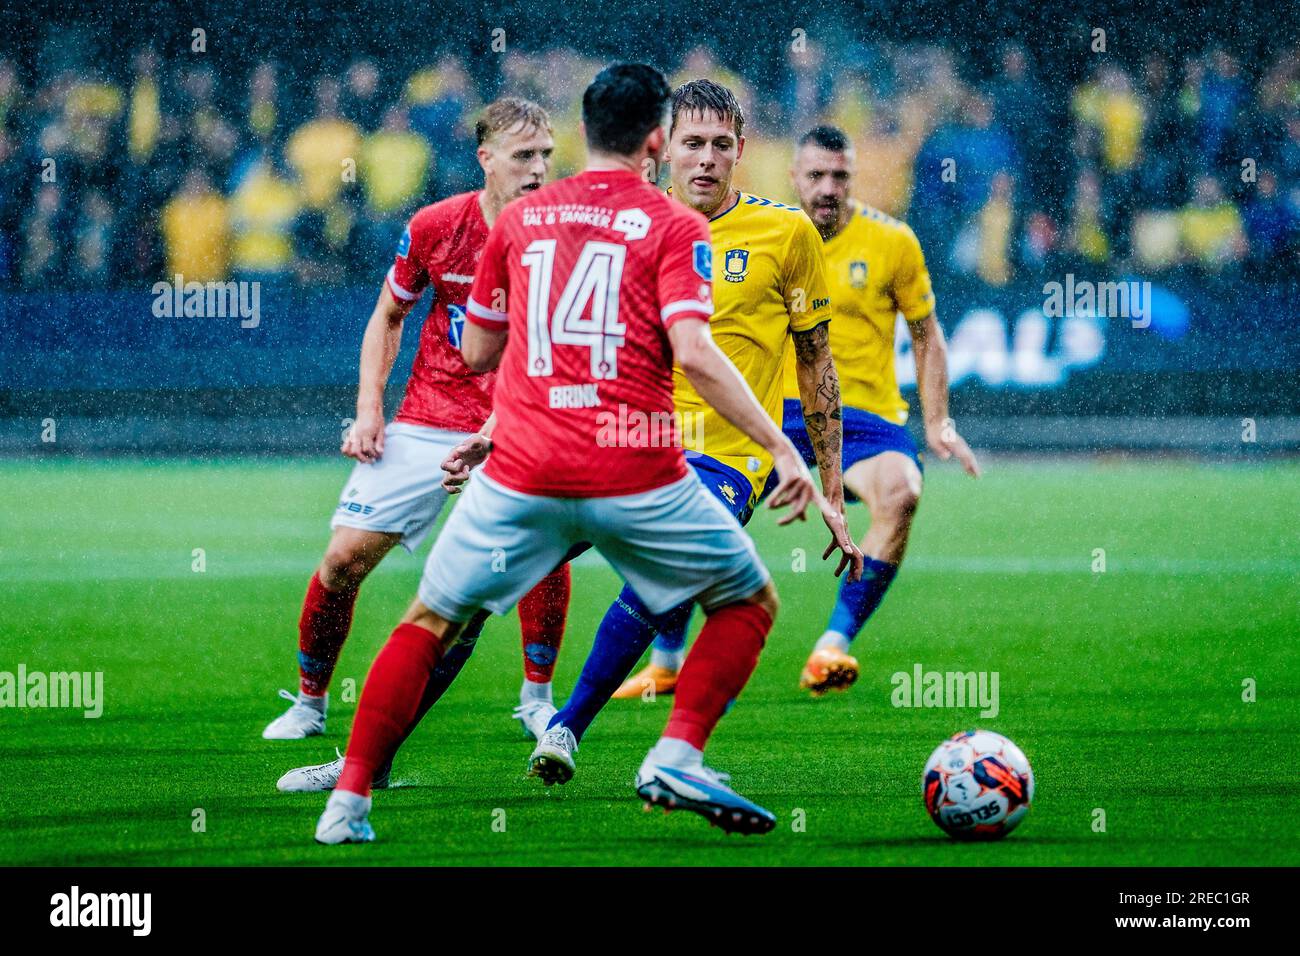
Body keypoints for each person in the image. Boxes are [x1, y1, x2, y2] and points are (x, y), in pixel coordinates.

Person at [313, 62, 853, 844]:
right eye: (689, 142)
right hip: (636, 459)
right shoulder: (672, 227)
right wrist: (785, 448)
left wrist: (498, 425)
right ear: (657, 143)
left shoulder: (528, 219)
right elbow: (693, 350)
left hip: (538, 460)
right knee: (746, 599)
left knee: (433, 615)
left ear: (578, 135)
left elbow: (481, 350)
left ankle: (350, 798)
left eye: (719, 144)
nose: (704, 157)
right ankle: (675, 754)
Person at [263, 99, 570, 792]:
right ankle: (310, 703)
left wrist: (500, 431)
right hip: (431, 415)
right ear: (485, 159)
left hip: (520, 421)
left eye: (546, 155)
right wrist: (369, 411)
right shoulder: (437, 226)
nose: (538, 169)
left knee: (541, 544)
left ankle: (537, 698)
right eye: (523, 155)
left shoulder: (563, 237)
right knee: (342, 560)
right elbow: (388, 313)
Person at [784, 125, 980, 694]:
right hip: (780, 410)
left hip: (863, 417)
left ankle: (832, 645)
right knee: (691, 502)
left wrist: (938, 421)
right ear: (794, 176)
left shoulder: (892, 241)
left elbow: (927, 333)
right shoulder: (769, 235)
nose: (828, 187)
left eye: (839, 175)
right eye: (816, 175)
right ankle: (668, 656)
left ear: (853, 177)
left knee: (902, 492)